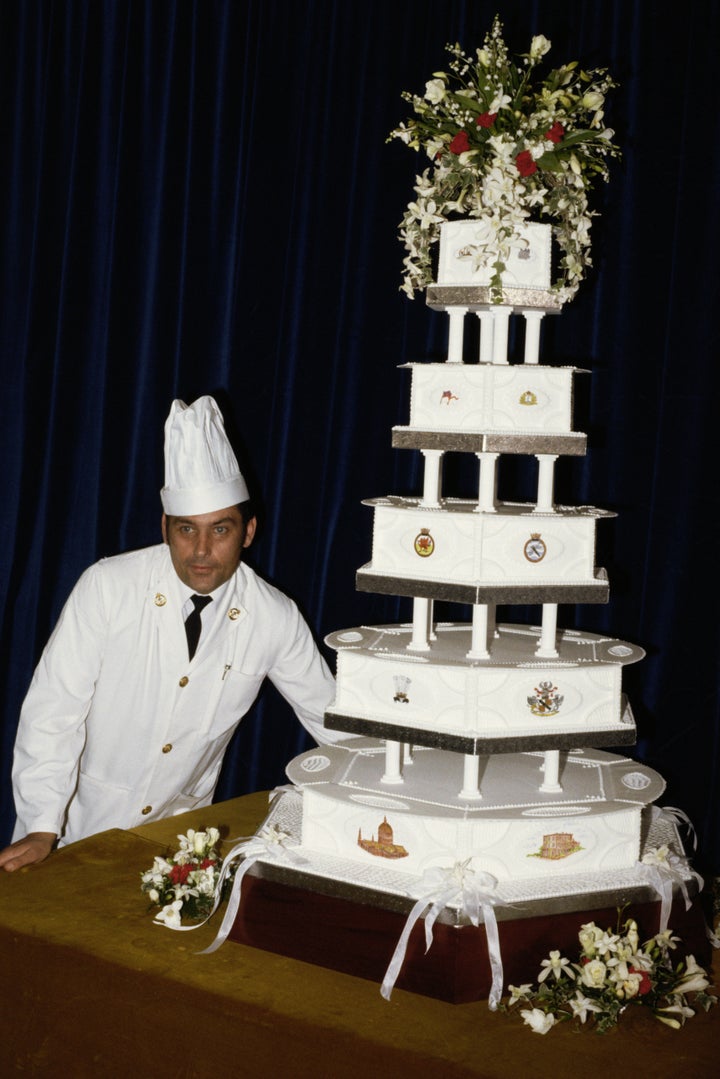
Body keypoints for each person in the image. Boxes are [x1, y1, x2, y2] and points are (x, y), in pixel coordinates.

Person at [0, 395, 347, 872]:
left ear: (248, 532)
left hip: (180, 844)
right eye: (187, 529)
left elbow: (333, 719)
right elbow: (53, 712)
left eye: (220, 530)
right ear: (165, 528)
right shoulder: (108, 585)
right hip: (74, 829)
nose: (201, 550)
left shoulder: (275, 616)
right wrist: (43, 824)